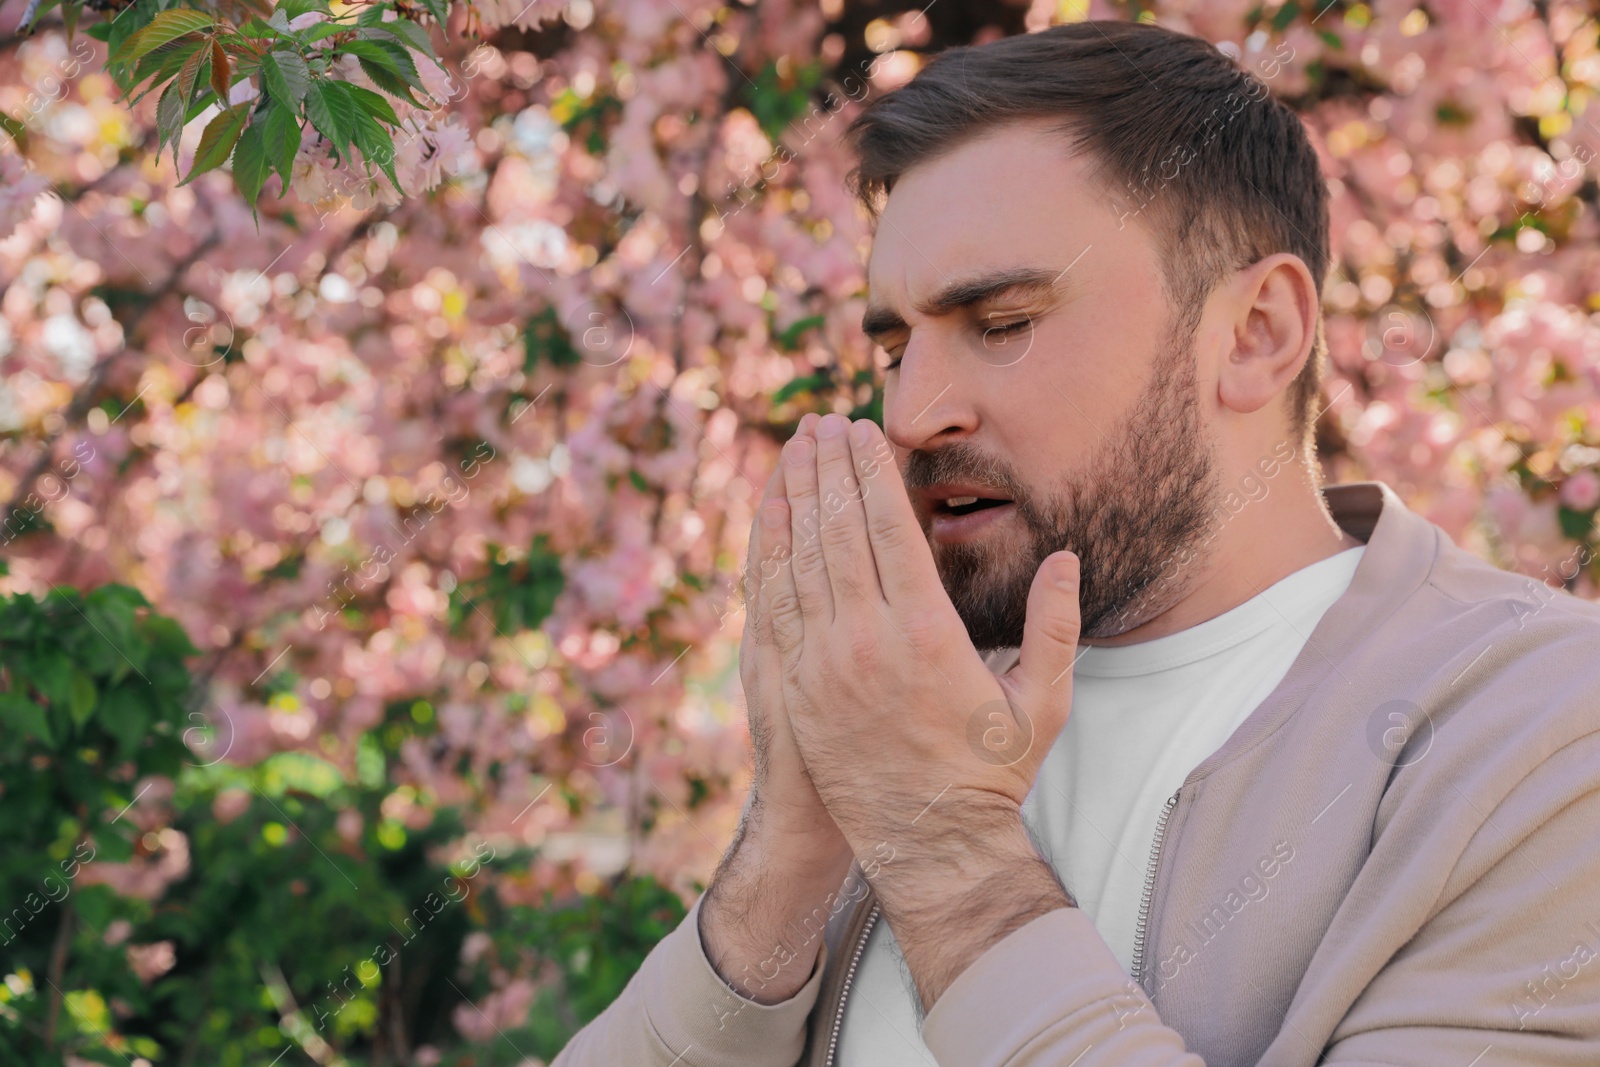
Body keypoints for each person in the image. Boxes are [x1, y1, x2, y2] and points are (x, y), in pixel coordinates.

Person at [553, 20, 1600, 1066]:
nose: (913, 411)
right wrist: (790, 848)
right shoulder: (906, 708)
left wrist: (949, 853)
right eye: (892, 345)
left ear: (1255, 334)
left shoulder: (1542, 736)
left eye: (1001, 321)